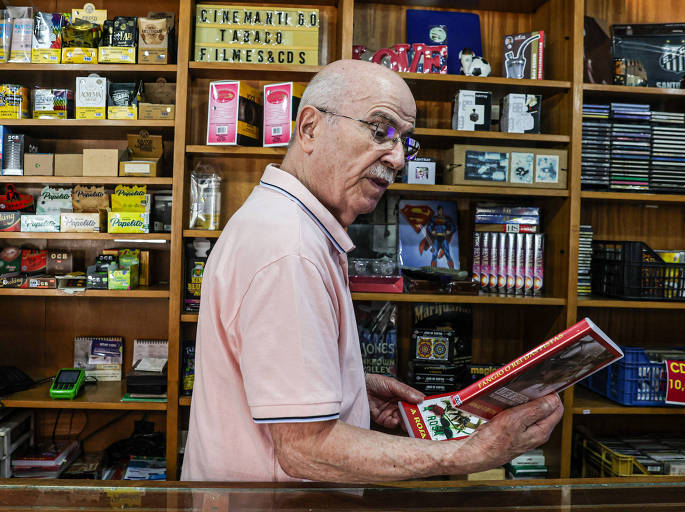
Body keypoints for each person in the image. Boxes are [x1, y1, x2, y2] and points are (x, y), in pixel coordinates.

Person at [181, 59, 563, 483]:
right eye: (380, 130)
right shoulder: (290, 249)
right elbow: (307, 451)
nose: (397, 158)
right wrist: (468, 454)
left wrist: (349, 388)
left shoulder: (287, 223)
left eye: (405, 142)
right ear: (310, 128)